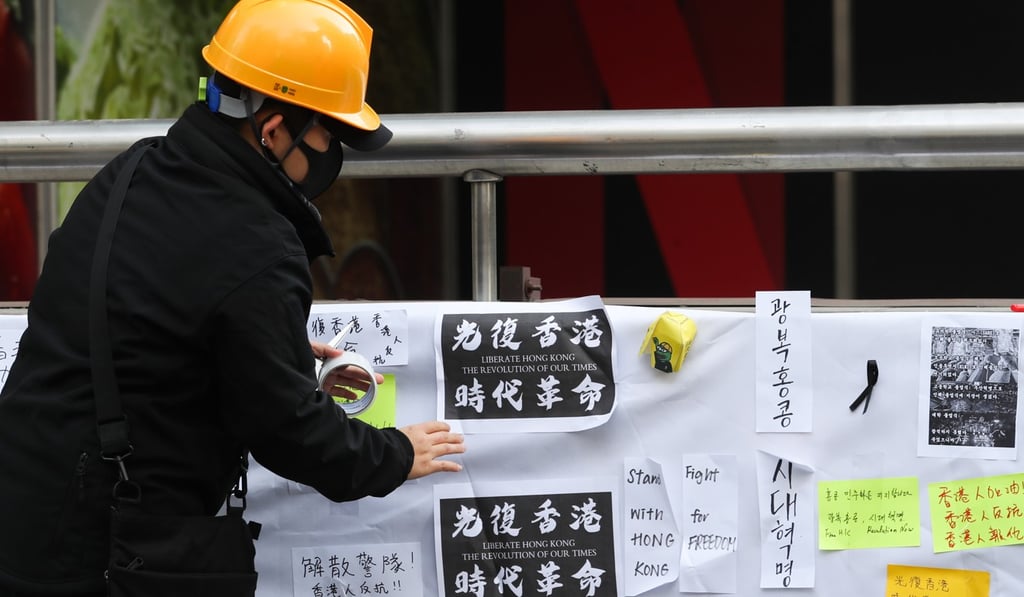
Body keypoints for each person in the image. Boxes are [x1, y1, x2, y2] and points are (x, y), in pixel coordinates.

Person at [0, 1, 465, 594]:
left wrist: (267, 350)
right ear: (273, 127)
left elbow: (146, 328)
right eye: (330, 131)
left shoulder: (133, 171)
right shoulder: (258, 247)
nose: (333, 152)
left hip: (23, 505)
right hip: (101, 548)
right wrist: (395, 454)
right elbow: (291, 432)